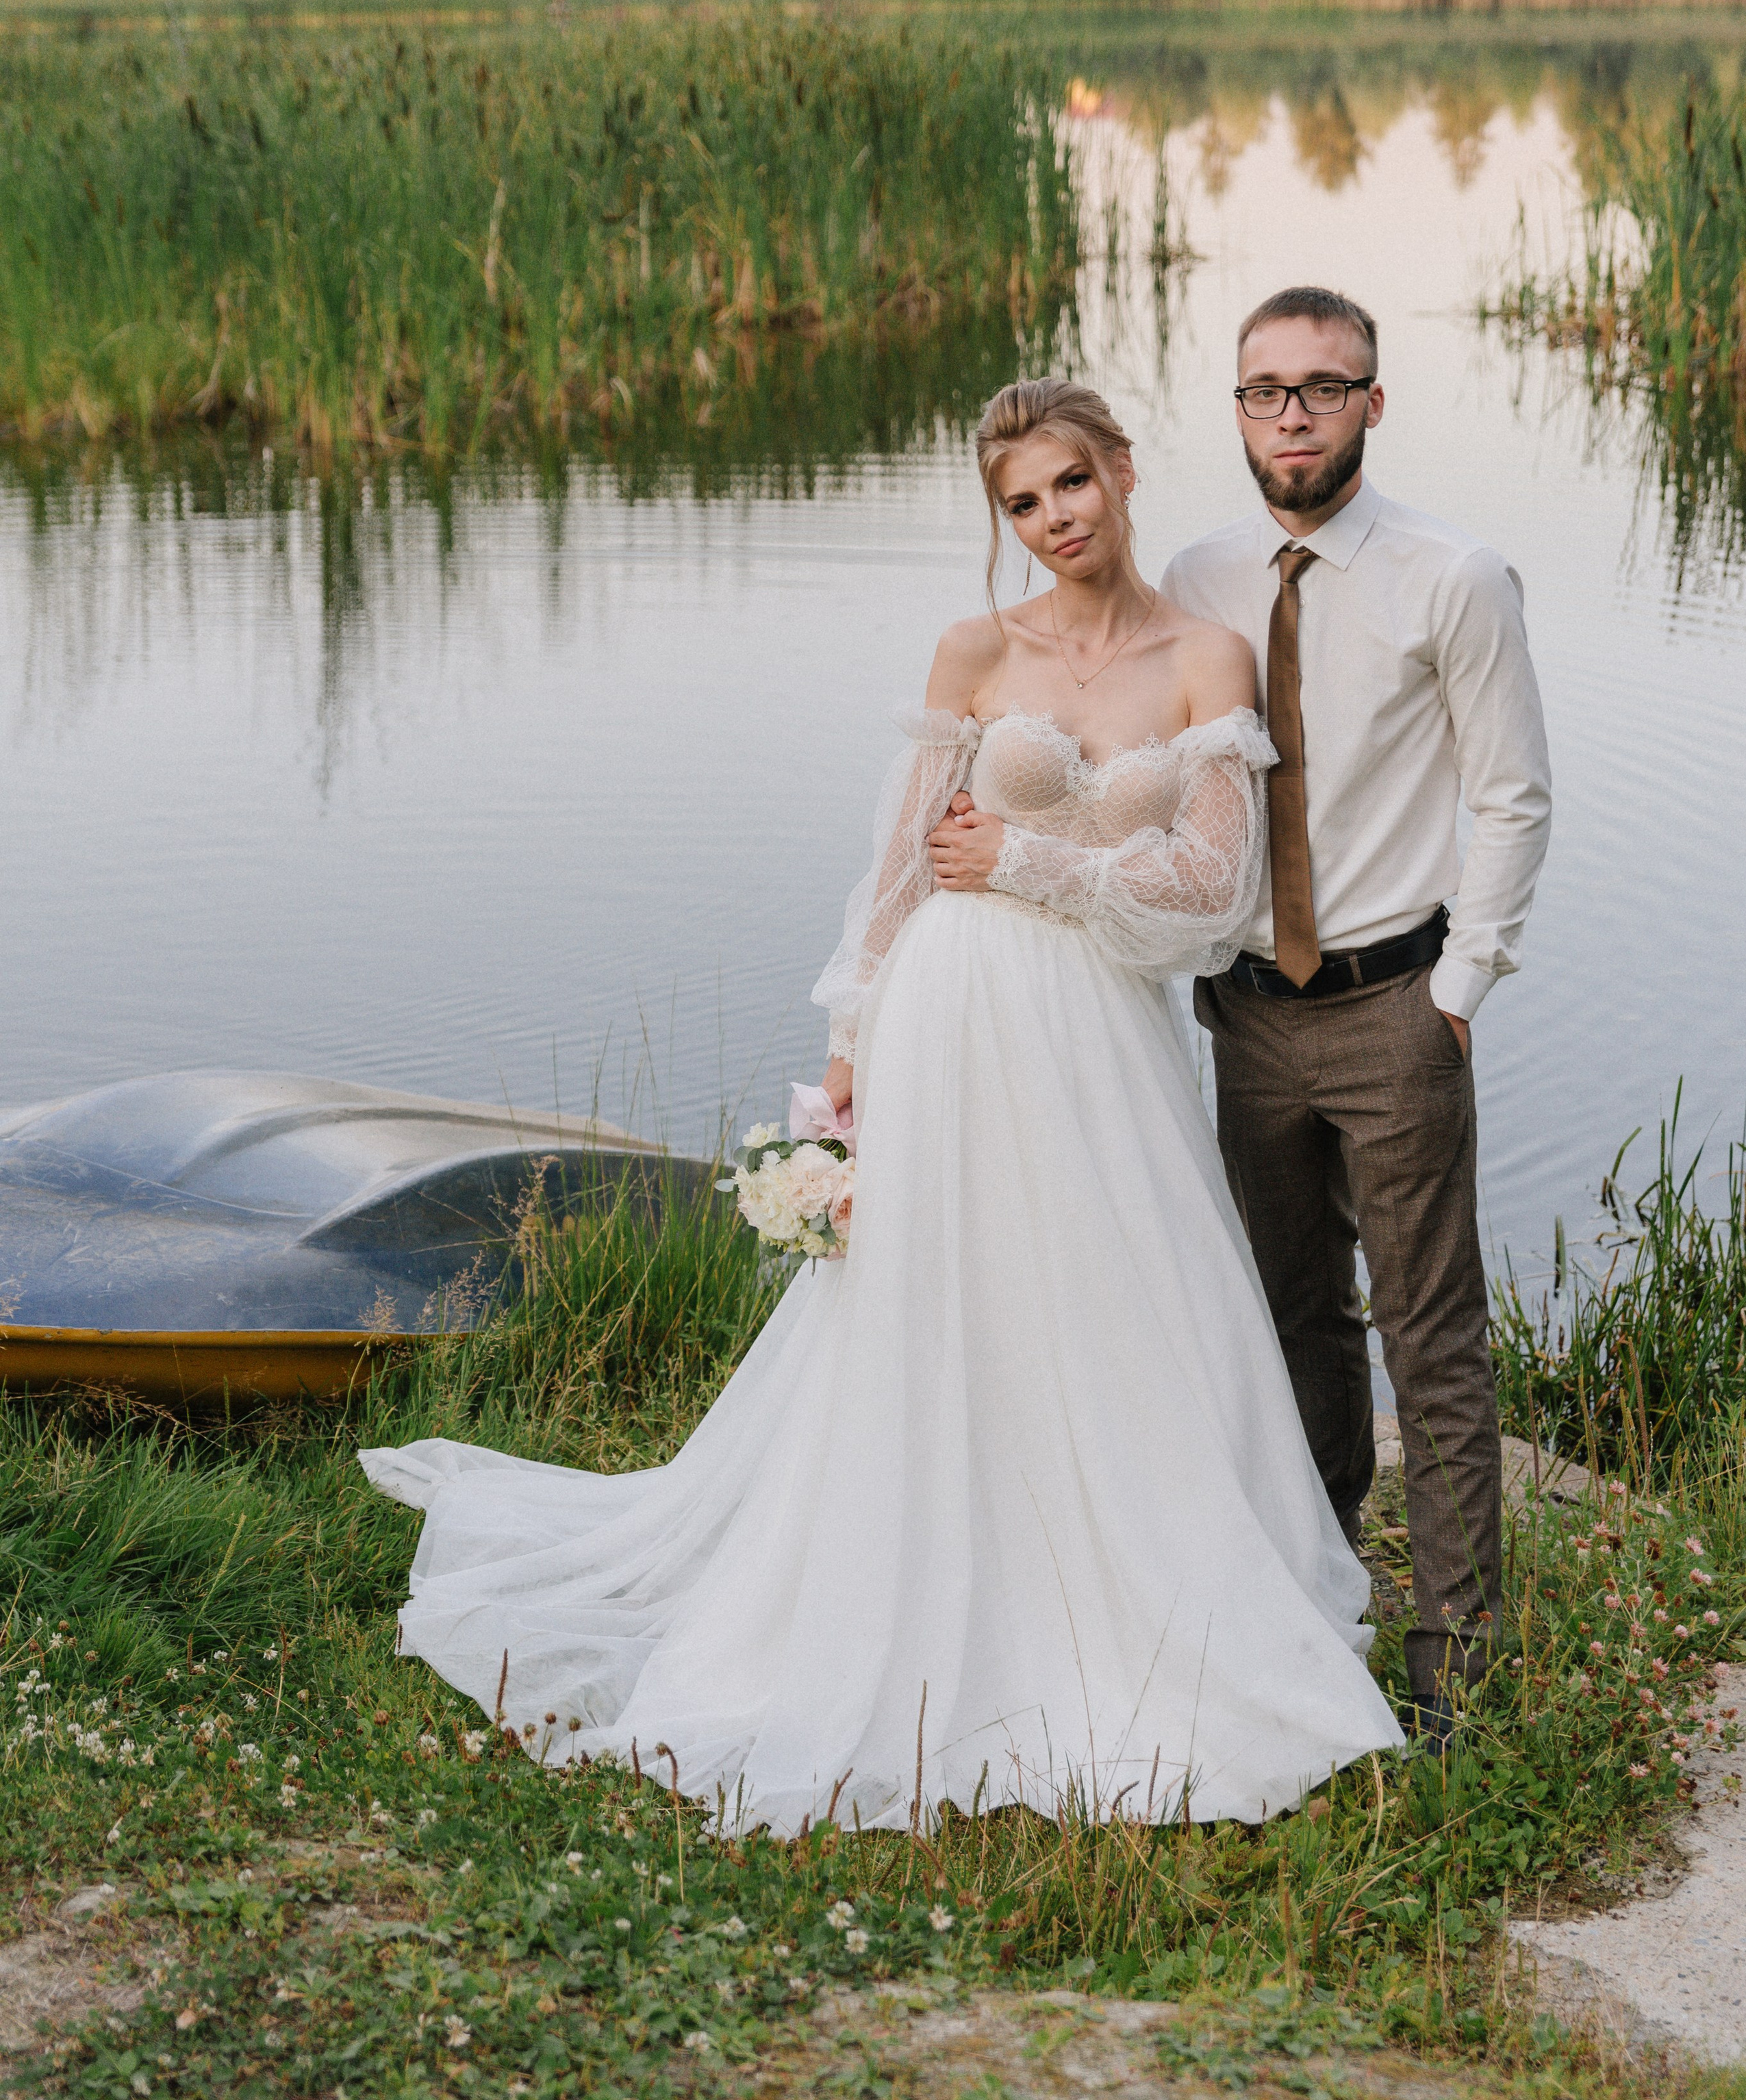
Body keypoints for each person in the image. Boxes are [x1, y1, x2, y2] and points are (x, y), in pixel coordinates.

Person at [359, 377, 1403, 1830]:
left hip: (1102, 1025)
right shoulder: (976, 648)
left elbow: (1213, 893)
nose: (1050, 522)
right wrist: (853, 1038)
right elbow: (906, 866)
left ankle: (1136, 1582)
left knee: (1114, 1291)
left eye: (1068, 485)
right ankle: (914, 1576)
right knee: (939, 1296)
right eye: (1020, 503)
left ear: (1118, 468)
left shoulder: (1204, 656)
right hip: (957, 1012)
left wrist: (1042, 867)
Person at [1161, 286, 1552, 1741]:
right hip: (1241, 1012)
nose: (1292, 415)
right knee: (1287, 1319)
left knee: (1429, 1336)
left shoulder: (1454, 576)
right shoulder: (1193, 577)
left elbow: (1511, 792)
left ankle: (1453, 1660)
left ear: (1372, 405)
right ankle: (1319, 1600)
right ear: (1240, 409)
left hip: (1394, 1003)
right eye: (1265, 390)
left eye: (1324, 388)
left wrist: (1459, 990)